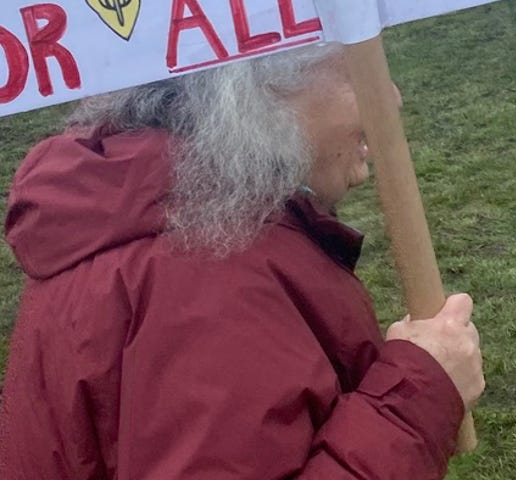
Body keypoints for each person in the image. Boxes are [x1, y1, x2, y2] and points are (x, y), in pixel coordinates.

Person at [0, 46, 484, 479]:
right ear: (256, 91)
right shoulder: (205, 276)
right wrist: (417, 398)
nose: (392, 97)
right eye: (354, 75)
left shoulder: (135, 212)